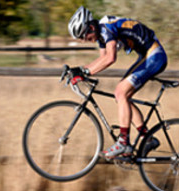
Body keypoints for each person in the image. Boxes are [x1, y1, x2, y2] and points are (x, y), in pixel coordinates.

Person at [68, 6, 167, 159]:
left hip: (154, 56)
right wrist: (79, 70)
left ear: (91, 27)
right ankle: (147, 138)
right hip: (147, 55)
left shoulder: (106, 28)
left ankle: (123, 142)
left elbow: (110, 58)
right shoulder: (101, 34)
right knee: (122, 96)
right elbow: (102, 59)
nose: (83, 40)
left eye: (83, 36)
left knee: (120, 92)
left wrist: (86, 72)